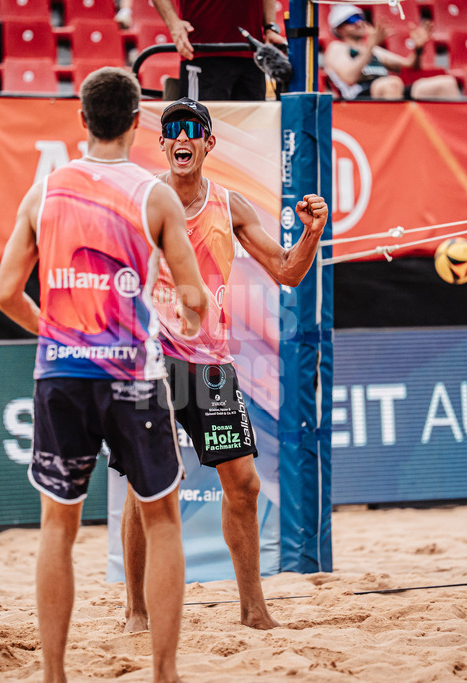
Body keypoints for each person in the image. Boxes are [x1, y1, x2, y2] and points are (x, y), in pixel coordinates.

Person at [0, 67, 208, 683]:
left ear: (82, 120)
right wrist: (182, 316)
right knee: (163, 520)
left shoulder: (45, 192)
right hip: (132, 375)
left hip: (61, 373)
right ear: (140, 122)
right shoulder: (155, 195)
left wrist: (53, 330)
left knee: (57, 527)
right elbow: (193, 300)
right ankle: (164, 672)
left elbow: (6, 293)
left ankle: (54, 674)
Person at [121, 97, 329, 633]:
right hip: (154, 356)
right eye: (173, 129)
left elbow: (287, 273)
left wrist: (310, 232)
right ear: (164, 142)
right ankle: (136, 611)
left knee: (244, 484)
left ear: (209, 143)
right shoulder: (142, 200)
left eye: (194, 129)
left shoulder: (230, 205)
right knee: (149, 483)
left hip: (210, 365)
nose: (183, 136)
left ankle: (253, 610)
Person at [150, 0, 288, 100]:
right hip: (202, 53)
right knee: (198, 131)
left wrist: (270, 27)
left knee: (251, 133)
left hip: (251, 54)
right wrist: (173, 23)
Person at [323, 4, 460, 100]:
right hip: (359, 97)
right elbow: (350, 77)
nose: (359, 22)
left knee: (446, 83)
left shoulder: (373, 49)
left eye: (360, 17)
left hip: (390, 91)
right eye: (352, 19)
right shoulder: (336, 48)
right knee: (392, 83)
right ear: (339, 28)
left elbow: (411, 65)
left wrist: (418, 49)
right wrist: (370, 46)